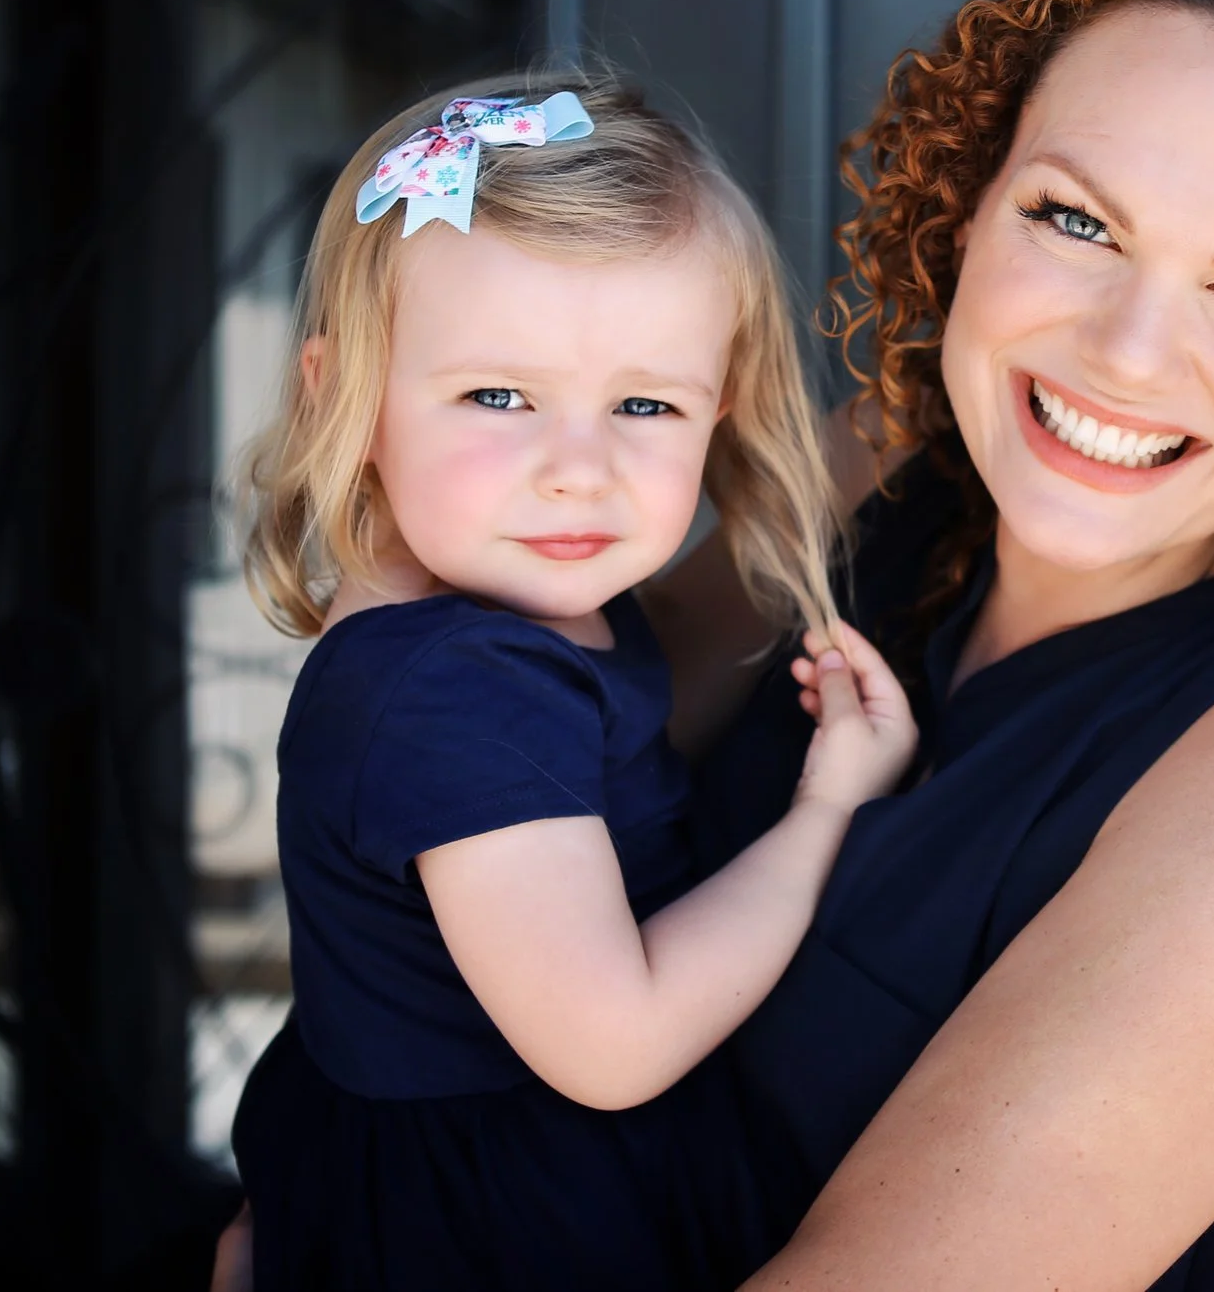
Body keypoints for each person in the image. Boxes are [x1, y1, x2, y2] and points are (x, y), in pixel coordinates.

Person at [218, 0, 1214, 1292]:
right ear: (970, 208)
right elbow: (494, 728)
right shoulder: (884, 475)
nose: (1124, 353)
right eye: (1076, 218)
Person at [223, 76, 917, 1290]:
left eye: (645, 403)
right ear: (343, 392)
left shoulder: (475, 599)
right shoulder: (457, 685)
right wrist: (827, 811)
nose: (578, 471)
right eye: (499, 395)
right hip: (502, 1228)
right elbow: (616, 1041)